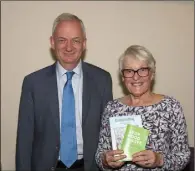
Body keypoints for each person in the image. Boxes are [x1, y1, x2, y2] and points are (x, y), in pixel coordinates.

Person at [16, 13, 113, 171]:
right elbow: (24, 141)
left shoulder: (102, 80)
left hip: (89, 167)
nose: (69, 47)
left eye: (76, 40)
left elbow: (108, 132)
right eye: (62, 40)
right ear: (52, 42)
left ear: (84, 44)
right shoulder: (33, 83)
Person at [95, 45, 190, 171]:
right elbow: (99, 154)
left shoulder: (171, 107)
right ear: (123, 77)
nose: (136, 77)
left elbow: (183, 156)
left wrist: (159, 160)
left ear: (152, 74)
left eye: (143, 70)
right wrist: (106, 160)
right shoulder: (112, 108)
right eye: (129, 71)